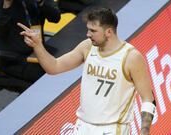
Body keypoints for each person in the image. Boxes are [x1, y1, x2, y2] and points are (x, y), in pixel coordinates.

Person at [18, 7, 156, 135]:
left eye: (93, 31)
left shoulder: (131, 57)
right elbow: (54, 67)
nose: (88, 34)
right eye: (88, 29)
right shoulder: (87, 47)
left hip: (112, 129)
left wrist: (144, 131)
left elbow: (148, 99)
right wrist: (38, 45)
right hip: (83, 126)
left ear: (109, 32)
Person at [0, 0, 61, 85]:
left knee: (63, 63)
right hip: (14, 59)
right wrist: (7, 5)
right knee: (50, 75)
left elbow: (56, 18)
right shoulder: (1, 3)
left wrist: (41, 2)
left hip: (37, 50)